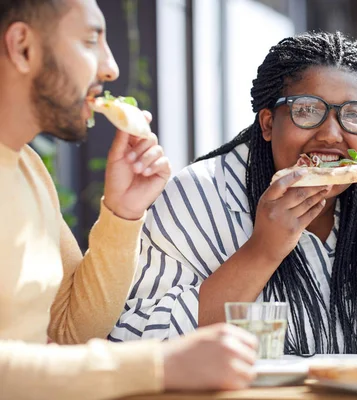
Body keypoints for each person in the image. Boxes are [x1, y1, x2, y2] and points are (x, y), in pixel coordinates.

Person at [111, 31, 357, 359]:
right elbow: (138, 349)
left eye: (353, 115)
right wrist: (263, 250)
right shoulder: (200, 194)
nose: (332, 134)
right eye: (306, 110)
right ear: (268, 122)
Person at [0, 0, 257, 398]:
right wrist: (160, 364)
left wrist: (123, 212)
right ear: (22, 47)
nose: (111, 68)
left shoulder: (28, 169)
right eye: (90, 40)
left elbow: (71, 334)